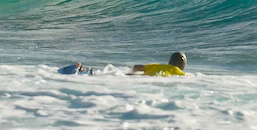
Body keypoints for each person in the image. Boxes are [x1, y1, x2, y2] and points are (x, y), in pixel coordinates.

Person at [57, 52, 188, 77]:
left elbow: (137, 67)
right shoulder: (182, 75)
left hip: (133, 78)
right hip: (146, 83)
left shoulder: (160, 67)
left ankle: (78, 70)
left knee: (99, 74)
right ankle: (81, 72)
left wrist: (130, 72)